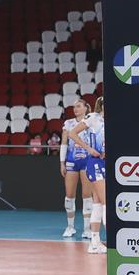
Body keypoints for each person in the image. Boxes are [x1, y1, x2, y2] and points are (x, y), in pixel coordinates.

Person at [67, 97, 106, 253]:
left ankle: (94, 242)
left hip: (107, 162)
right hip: (95, 163)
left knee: (98, 203)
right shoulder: (93, 117)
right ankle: (110, 241)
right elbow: (72, 133)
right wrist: (89, 149)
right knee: (106, 202)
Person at [60, 99, 94, 238]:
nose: (75, 109)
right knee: (69, 196)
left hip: (87, 161)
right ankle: (70, 227)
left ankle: (87, 229)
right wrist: (62, 163)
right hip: (72, 161)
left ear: (86, 108)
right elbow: (64, 143)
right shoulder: (68, 123)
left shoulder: (91, 121)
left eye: (78, 106)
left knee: (87, 196)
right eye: (74, 107)